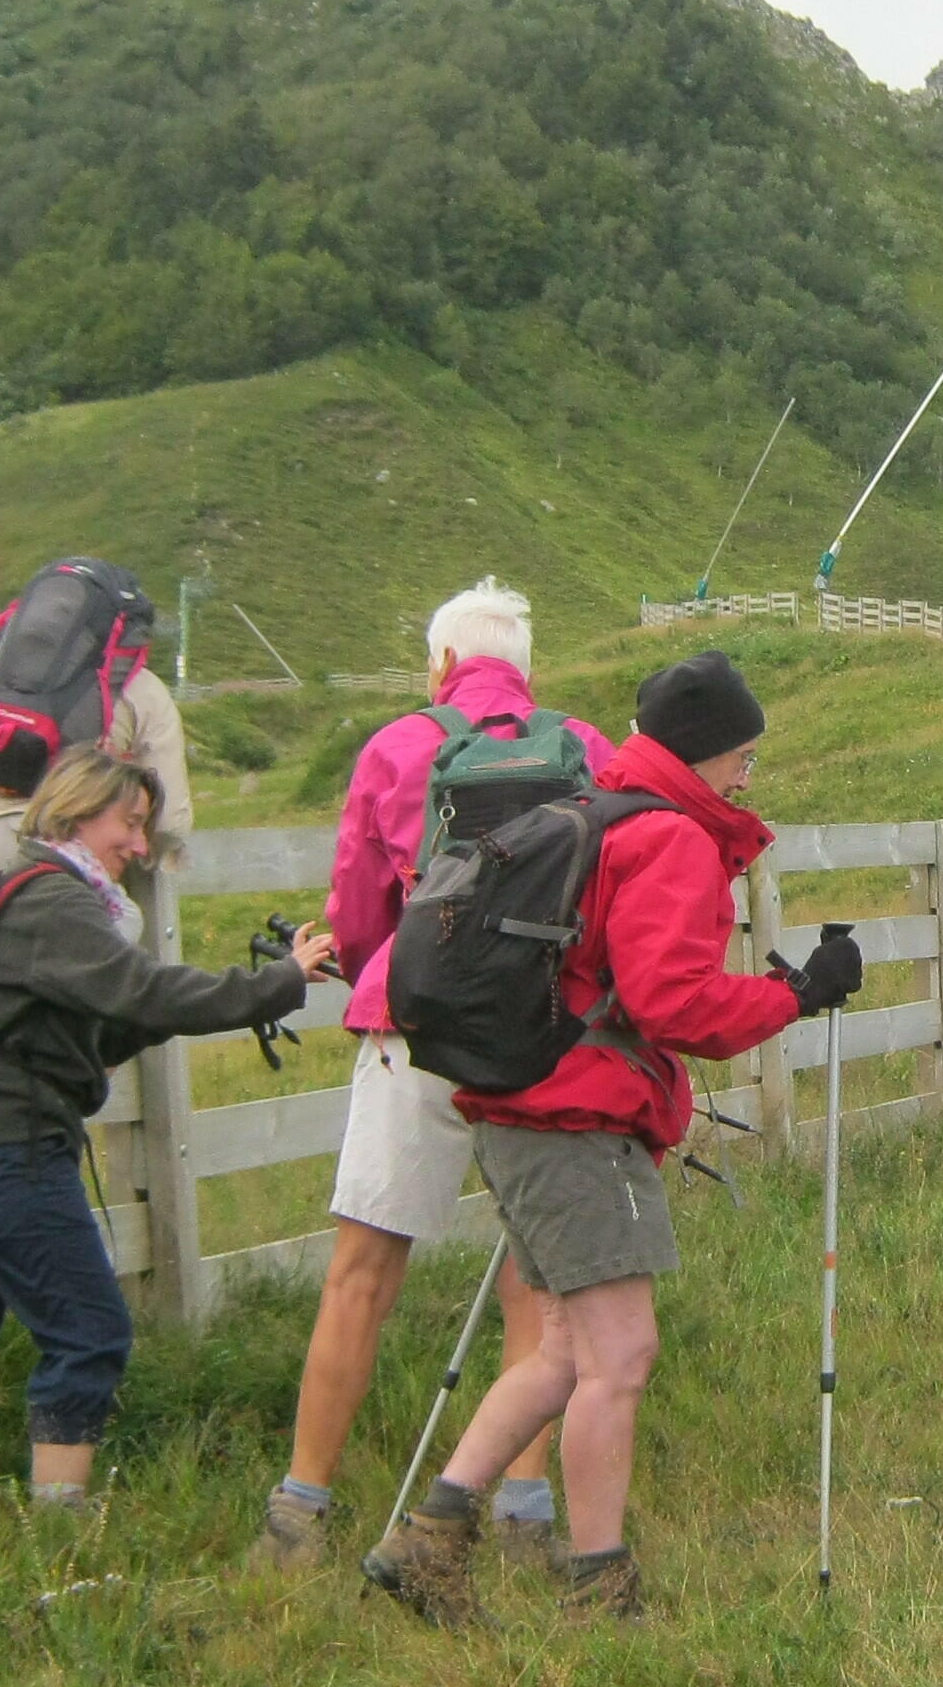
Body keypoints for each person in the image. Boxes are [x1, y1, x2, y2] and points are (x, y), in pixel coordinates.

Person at [362, 651, 857, 1625]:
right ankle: (599, 1586)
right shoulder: (667, 837)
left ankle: (430, 1540)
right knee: (620, 1356)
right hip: (578, 1122)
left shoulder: (596, 813)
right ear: (703, 752)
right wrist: (794, 996)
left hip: (522, 1109)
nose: (746, 777)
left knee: (562, 1352)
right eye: (742, 756)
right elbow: (674, 1003)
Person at [0, 747, 329, 1504]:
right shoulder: (54, 901)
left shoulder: (24, 892)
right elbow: (147, 990)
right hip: (9, 1160)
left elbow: (101, 1030)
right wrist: (278, 983)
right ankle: (58, 1529)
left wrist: (242, 994)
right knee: (89, 1333)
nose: (139, 845)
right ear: (75, 813)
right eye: (128, 824)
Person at [251, 580, 611, 1574]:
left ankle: (301, 1506)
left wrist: (378, 966)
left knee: (362, 1271)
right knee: (536, 1281)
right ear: (526, 670)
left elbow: (361, 909)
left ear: (442, 664)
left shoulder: (397, 745)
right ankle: (524, 1506)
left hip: (412, 1026)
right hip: (541, 1035)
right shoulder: (583, 744)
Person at [0, 569, 195, 892]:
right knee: (108, 921)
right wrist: (147, 848)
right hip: (54, 841)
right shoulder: (141, 687)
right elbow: (169, 821)